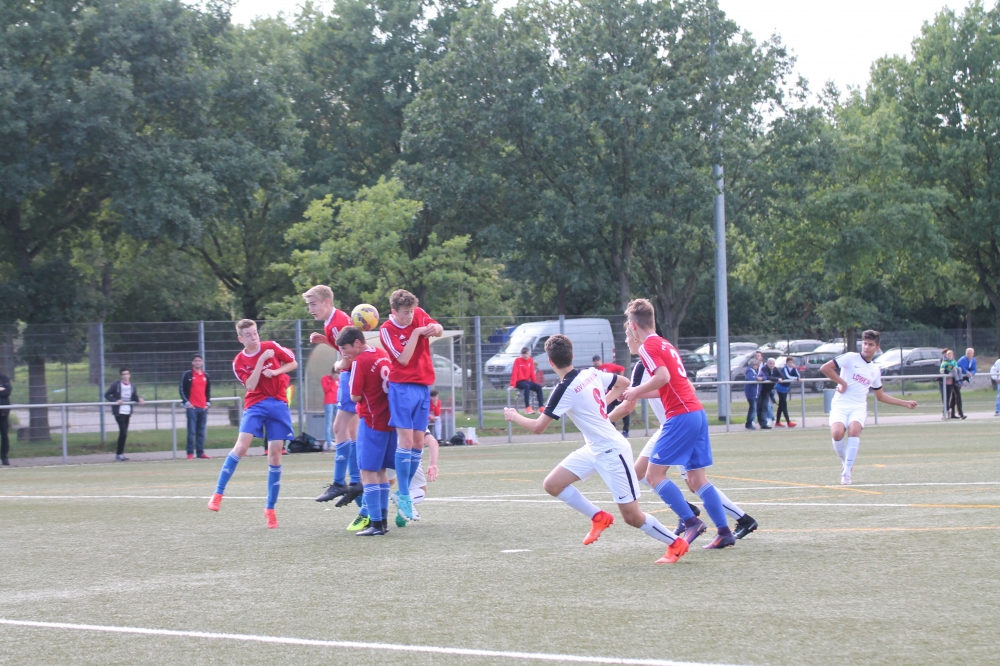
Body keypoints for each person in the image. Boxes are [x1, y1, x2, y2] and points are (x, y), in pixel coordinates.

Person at [504, 334, 680, 559]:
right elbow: (623, 383)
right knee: (553, 484)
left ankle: (676, 543)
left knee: (632, 517)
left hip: (613, 451)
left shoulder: (563, 389)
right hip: (594, 448)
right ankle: (599, 517)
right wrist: (601, 406)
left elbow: (538, 427)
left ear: (550, 362)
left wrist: (514, 416)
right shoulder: (590, 373)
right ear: (572, 355)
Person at [608, 325, 758, 539]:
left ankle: (740, 519)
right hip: (672, 425)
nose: (625, 340)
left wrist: (603, 420)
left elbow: (628, 405)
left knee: (692, 482)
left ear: (637, 334)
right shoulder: (661, 355)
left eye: (627, 335)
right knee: (640, 473)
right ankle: (689, 513)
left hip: (676, 425)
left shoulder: (646, 363)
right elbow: (682, 388)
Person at [619, 298, 736, 561]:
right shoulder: (665, 344)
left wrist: (635, 391)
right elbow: (669, 385)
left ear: (634, 327)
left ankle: (691, 521)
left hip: (680, 415)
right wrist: (636, 393)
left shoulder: (648, 346)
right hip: (695, 412)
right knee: (696, 479)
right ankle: (724, 531)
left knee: (653, 475)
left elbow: (662, 378)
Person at [207, 320, 297, 529]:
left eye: (255, 333)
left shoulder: (271, 346)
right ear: (241, 339)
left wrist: (276, 372)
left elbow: (293, 364)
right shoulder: (239, 361)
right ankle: (218, 493)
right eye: (248, 335)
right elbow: (251, 384)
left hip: (278, 403)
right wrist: (261, 361)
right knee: (241, 446)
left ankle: (270, 509)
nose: (253, 337)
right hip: (256, 404)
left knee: (275, 455)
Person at [820, 329, 917, 485]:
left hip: (858, 406)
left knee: (854, 430)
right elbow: (825, 368)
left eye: (870, 344)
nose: (866, 347)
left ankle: (846, 473)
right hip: (840, 404)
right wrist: (842, 383)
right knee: (837, 433)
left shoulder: (874, 370)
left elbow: (880, 396)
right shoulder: (850, 357)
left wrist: (904, 403)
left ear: (877, 347)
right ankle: (846, 464)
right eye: (865, 343)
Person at [379, 289, 442, 523]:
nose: (410, 316)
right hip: (402, 388)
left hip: (423, 386)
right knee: (405, 441)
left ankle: (403, 495)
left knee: (418, 442)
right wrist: (416, 332)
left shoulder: (419, 314)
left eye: (412, 311)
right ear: (394, 312)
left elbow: (438, 328)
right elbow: (403, 359)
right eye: (405, 312)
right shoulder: (387, 329)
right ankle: (404, 494)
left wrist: (436, 328)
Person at [303, 285, 362, 505]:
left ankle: (340, 482)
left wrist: (339, 365)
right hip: (354, 375)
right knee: (352, 432)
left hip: (351, 375)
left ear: (327, 302)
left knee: (339, 428)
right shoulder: (332, 323)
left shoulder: (337, 323)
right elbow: (344, 346)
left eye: (314, 304)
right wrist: (325, 340)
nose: (311, 309)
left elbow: (351, 353)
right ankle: (356, 484)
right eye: (309, 305)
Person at [338, 326, 396, 536]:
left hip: (372, 420)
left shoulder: (360, 362)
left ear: (357, 343)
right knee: (381, 472)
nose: (345, 354)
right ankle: (383, 521)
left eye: (346, 349)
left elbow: (354, 396)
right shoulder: (381, 353)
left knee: (368, 472)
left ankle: (376, 524)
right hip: (390, 419)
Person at [389, 428, 440, 527]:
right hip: (408, 457)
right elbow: (432, 441)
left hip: (388, 452)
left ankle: (373, 517)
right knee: (420, 490)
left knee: (383, 484)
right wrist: (433, 464)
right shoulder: (416, 420)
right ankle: (405, 502)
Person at [105, 368, 145, 462]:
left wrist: (139, 399)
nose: (125, 376)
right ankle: (119, 454)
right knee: (123, 433)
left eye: (127, 374)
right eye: (123, 374)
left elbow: (134, 396)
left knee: (124, 434)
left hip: (128, 412)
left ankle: (120, 454)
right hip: (119, 412)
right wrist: (116, 400)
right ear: (121, 376)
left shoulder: (132, 386)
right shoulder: (116, 385)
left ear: (129, 375)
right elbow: (107, 395)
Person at [179, 354, 211, 459]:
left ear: (202, 362)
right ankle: (190, 453)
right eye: (195, 361)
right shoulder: (187, 375)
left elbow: (208, 391)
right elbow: (181, 389)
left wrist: (207, 403)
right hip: (192, 408)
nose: (197, 362)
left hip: (203, 408)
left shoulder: (206, 376)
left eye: (199, 360)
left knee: (201, 431)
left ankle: (200, 452)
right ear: (192, 363)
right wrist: (187, 403)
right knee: (191, 431)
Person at [593, 354, 629, 437]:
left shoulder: (608, 366)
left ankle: (625, 430)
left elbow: (621, 368)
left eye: (597, 360)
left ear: (601, 361)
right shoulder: (594, 371)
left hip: (616, 392)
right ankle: (613, 431)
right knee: (607, 412)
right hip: (607, 395)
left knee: (624, 410)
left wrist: (620, 380)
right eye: (594, 361)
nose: (596, 362)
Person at [510, 347, 544, 413]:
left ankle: (541, 407)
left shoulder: (530, 360)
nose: (525, 355)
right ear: (521, 354)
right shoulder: (517, 360)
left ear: (529, 354)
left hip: (526, 381)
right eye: (524, 354)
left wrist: (534, 383)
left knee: (538, 387)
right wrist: (512, 385)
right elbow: (514, 373)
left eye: (527, 353)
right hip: (519, 382)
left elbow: (532, 373)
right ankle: (527, 408)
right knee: (526, 386)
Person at [774, 356, 799, 427]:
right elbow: (787, 377)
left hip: (785, 388)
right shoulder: (784, 369)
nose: (790, 363)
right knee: (784, 404)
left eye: (791, 362)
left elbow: (798, 375)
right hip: (780, 387)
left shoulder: (793, 369)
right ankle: (788, 422)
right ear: (787, 363)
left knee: (781, 405)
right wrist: (796, 378)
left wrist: (795, 369)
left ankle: (777, 422)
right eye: (789, 362)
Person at [940, 349, 965, 419]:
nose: (947, 355)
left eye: (949, 354)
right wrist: (945, 370)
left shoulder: (953, 361)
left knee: (955, 397)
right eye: (946, 354)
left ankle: (955, 414)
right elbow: (943, 368)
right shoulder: (944, 361)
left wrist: (955, 369)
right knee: (946, 398)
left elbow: (956, 367)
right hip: (944, 382)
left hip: (951, 382)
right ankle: (945, 413)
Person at [321, 367, 339, 452]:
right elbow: (326, 390)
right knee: (328, 423)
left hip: (337, 402)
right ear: (331, 373)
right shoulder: (325, 378)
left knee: (340, 422)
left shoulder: (338, 379)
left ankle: (340, 441)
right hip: (329, 402)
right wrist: (332, 381)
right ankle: (329, 443)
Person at [758, 357, 779, 426]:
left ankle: (766, 421)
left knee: (766, 406)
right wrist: (776, 379)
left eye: (773, 363)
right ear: (767, 363)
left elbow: (782, 376)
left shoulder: (775, 369)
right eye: (770, 363)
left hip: (767, 391)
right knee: (759, 407)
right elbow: (766, 377)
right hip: (760, 391)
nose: (772, 365)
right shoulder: (764, 368)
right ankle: (766, 420)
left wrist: (777, 378)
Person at [744, 358, 764, 430]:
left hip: (756, 393)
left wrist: (762, 378)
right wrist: (757, 378)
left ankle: (749, 423)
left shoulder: (759, 371)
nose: (755, 366)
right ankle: (749, 423)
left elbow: (764, 376)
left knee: (753, 408)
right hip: (751, 393)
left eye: (756, 365)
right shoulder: (749, 370)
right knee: (753, 408)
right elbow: (750, 378)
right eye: (754, 365)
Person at [0, 370, 11, 466]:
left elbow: (7, 392)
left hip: (3, 412)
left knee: (4, 434)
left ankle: (4, 457)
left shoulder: (4, 378)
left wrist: (3, 390)